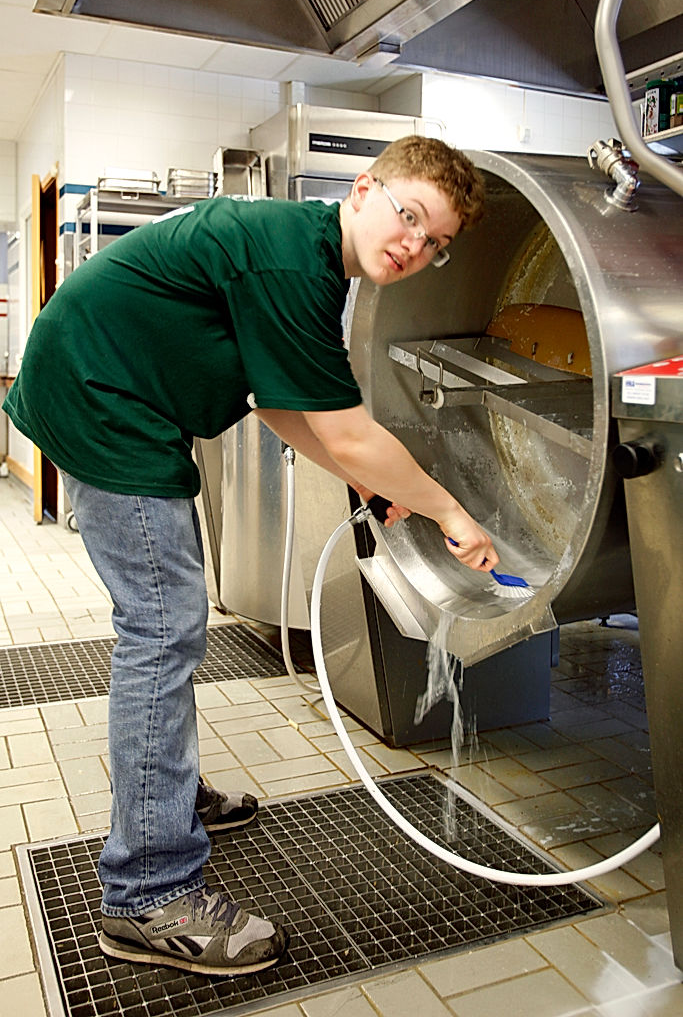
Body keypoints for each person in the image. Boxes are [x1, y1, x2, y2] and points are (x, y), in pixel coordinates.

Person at [2, 135, 498, 977]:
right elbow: (341, 426)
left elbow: (282, 405)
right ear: (364, 188)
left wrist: (370, 483)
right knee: (163, 632)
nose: (415, 246)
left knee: (165, 628)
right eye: (409, 216)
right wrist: (448, 508)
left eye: (435, 242)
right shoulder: (292, 262)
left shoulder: (305, 253)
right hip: (105, 407)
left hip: (106, 393)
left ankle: (166, 797)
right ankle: (149, 893)